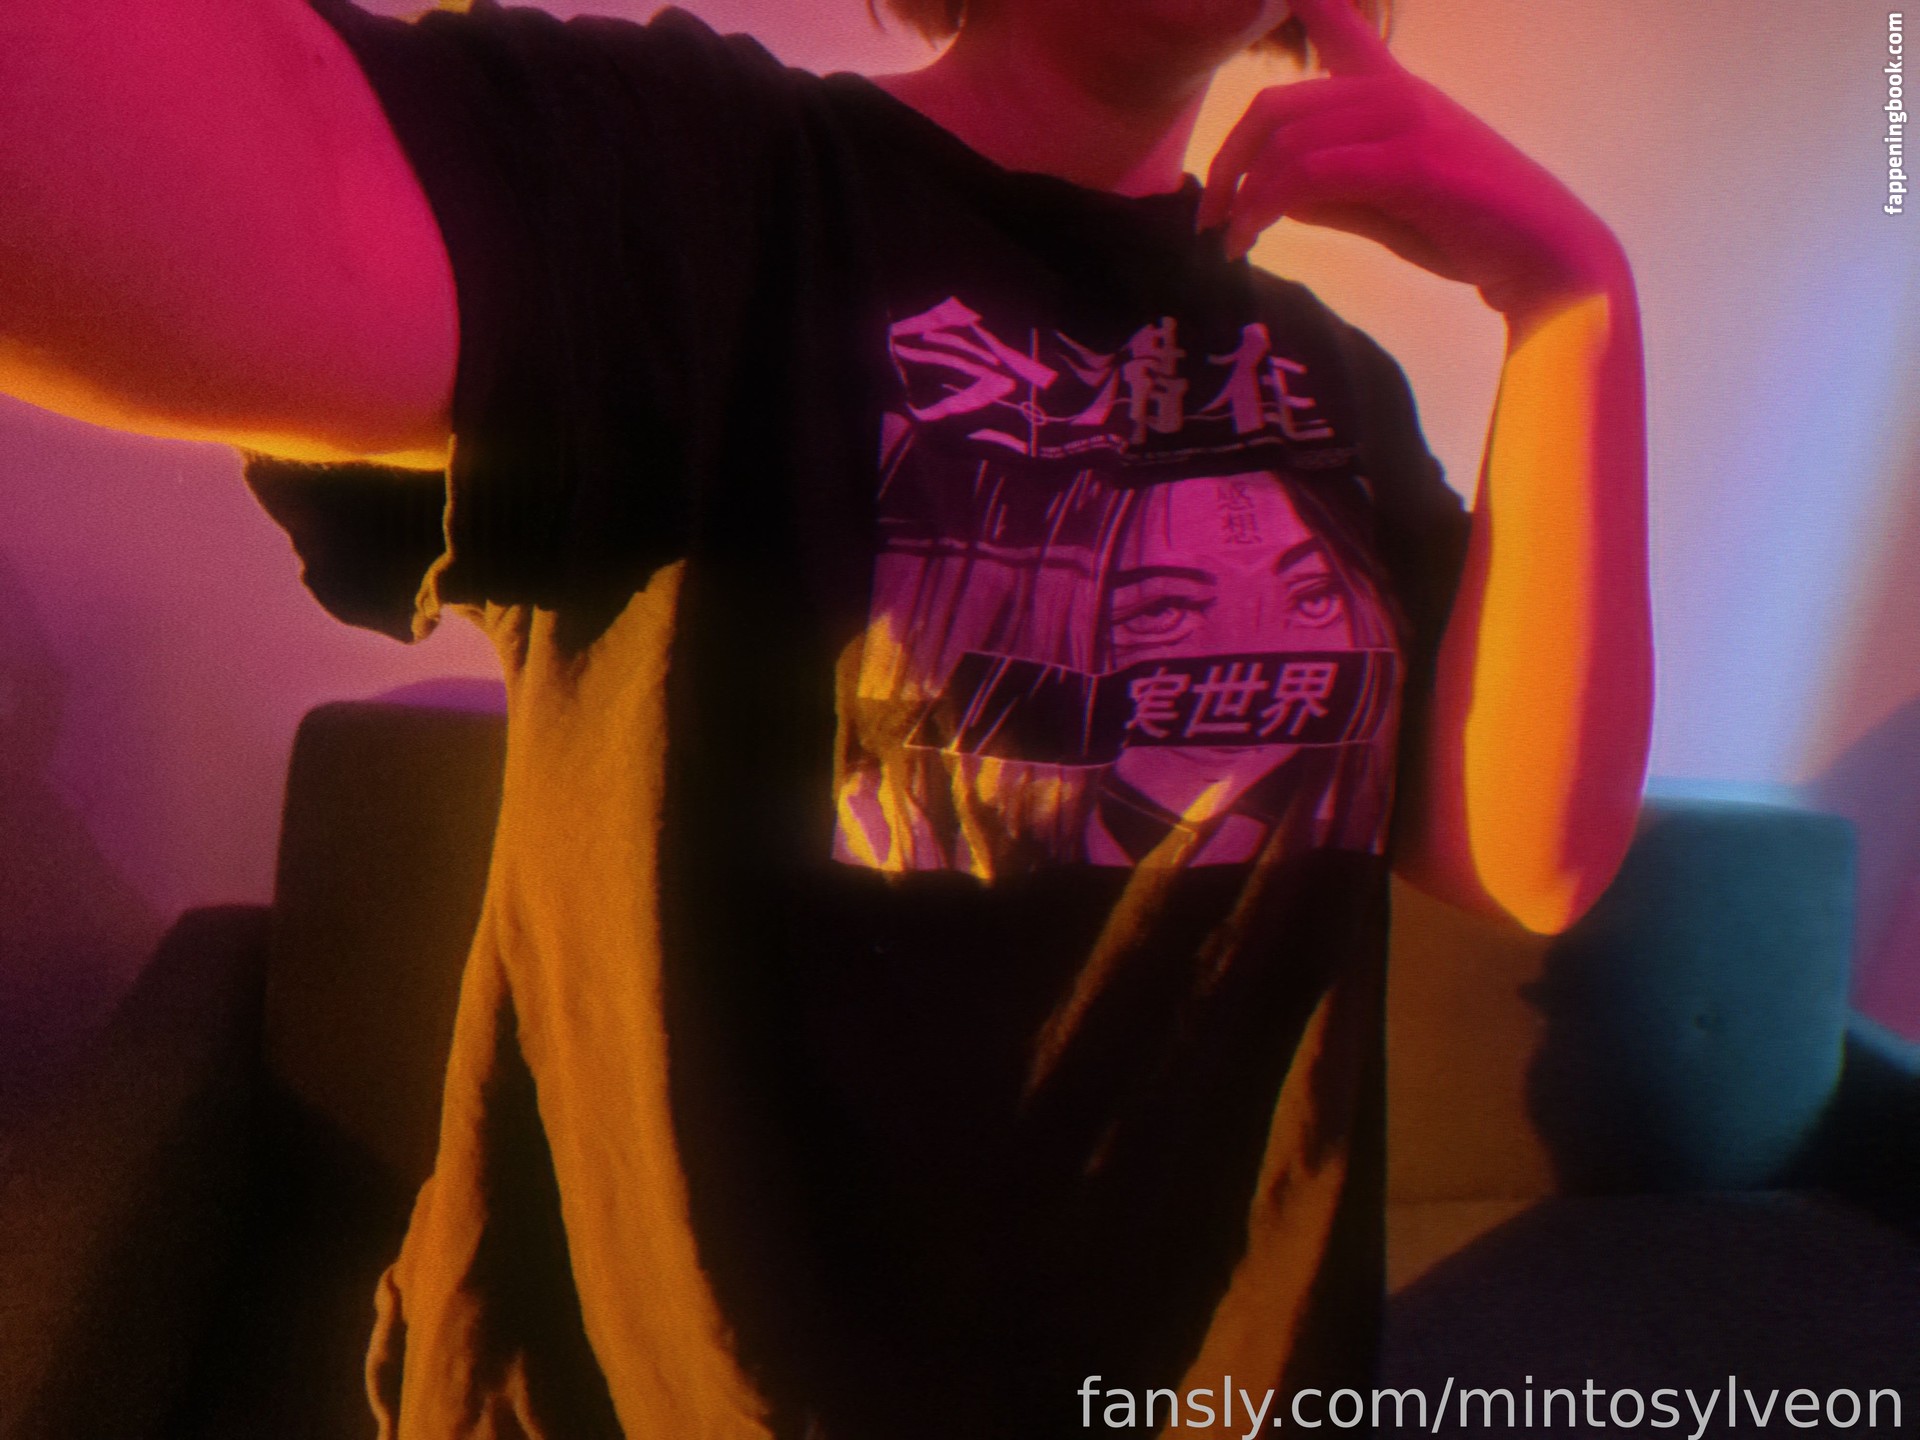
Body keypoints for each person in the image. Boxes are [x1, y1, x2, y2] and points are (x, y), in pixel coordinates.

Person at [0, 0, 1652, 1433]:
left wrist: (1571, 301)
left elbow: (1527, 852)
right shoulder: (698, 185)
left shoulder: (1328, 387)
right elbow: (137, 160)